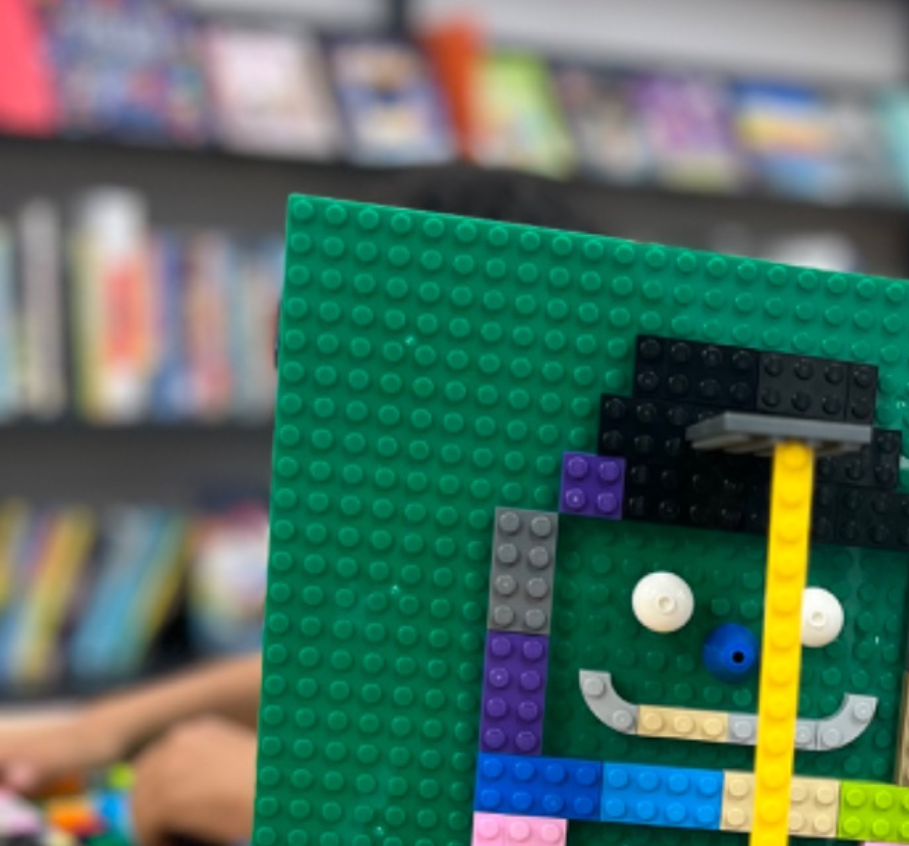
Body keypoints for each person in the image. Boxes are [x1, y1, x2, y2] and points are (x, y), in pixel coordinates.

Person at [0, 166, 594, 846]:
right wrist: (98, 728)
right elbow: (321, 662)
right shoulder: (441, 563)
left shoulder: (600, 601)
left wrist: (277, 807)